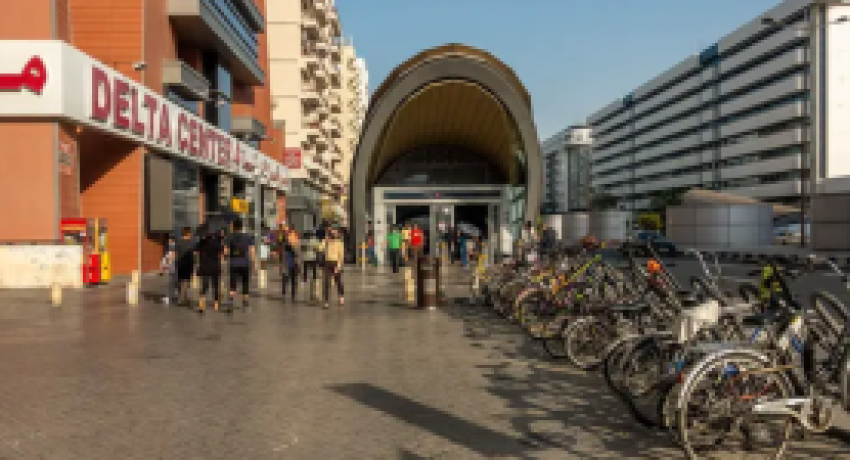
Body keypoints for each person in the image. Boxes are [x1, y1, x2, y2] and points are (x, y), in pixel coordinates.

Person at [223, 220, 256, 312]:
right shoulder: (248, 237)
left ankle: (230, 302)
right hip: (245, 263)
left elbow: (225, 252)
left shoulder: (229, 237)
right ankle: (245, 305)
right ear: (241, 227)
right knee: (245, 284)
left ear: (234, 227)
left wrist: (228, 255)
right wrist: (254, 263)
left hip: (234, 263)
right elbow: (252, 251)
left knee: (233, 284)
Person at [196, 231, 224, 313]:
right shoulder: (217, 243)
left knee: (205, 284)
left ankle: (201, 302)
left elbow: (196, 253)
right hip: (215, 266)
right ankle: (216, 304)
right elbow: (222, 253)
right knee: (215, 285)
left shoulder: (201, 242)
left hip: (204, 266)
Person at [319, 228, 345, 308]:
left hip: (335, 262)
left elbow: (341, 256)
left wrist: (338, 266)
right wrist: (325, 240)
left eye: (335, 233)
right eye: (331, 233)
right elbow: (319, 248)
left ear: (337, 234)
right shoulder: (326, 242)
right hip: (327, 263)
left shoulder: (340, 243)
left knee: (338, 281)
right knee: (326, 282)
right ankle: (326, 301)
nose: (333, 235)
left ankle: (341, 297)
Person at [175, 227, 195, 307]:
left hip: (180, 263)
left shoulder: (178, 242)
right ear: (188, 233)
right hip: (188, 264)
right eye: (191, 233)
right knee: (186, 281)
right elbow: (194, 253)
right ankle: (181, 299)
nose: (191, 235)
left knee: (180, 280)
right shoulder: (191, 243)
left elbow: (175, 253)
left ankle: (184, 298)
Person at [280, 229, 299, 301]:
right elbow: (283, 254)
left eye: (293, 235)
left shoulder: (297, 244)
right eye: (291, 235)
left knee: (294, 280)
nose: (292, 237)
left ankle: (293, 295)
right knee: (285, 280)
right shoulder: (286, 245)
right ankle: (283, 294)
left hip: (294, 264)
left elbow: (298, 255)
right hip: (287, 264)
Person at [160, 236, 177, 304]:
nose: (168, 242)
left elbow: (169, 257)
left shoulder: (172, 247)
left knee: (171, 283)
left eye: (169, 241)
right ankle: (174, 296)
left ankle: (169, 298)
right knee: (174, 282)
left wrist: (164, 266)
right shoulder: (173, 248)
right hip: (174, 268)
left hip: (172, 268)